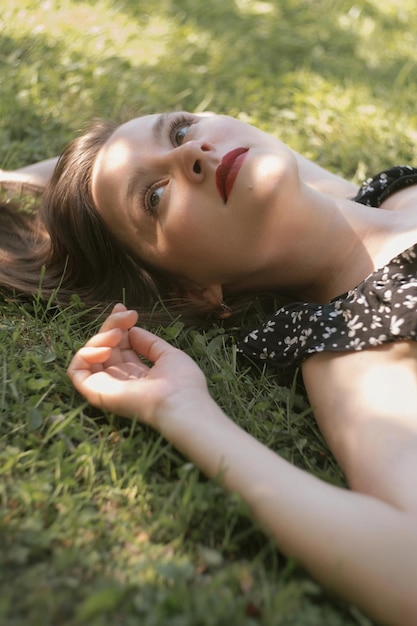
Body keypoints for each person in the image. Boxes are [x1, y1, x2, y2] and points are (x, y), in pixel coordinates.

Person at [2, 112, 417, 624]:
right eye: (154, 198)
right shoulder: (362, 340)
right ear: (194, 289)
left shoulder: (374, 194)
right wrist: (184, 409)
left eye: (179, 130)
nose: (192, 153)